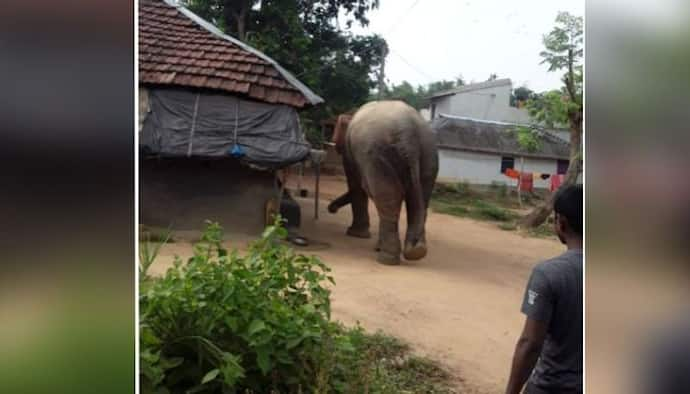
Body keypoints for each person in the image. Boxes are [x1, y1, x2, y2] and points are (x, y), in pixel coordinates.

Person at [505, 184, 583, 394]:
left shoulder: (549, 273)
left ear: (561, 223)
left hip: (553, 387)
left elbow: (530, 344)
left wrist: (511, 391)